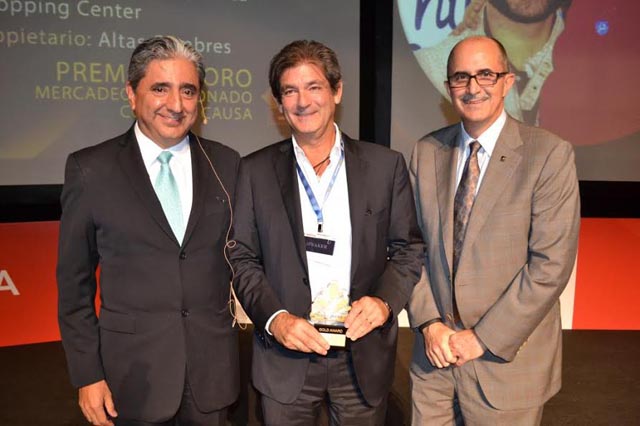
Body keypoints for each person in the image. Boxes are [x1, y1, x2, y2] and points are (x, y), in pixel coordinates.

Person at [230, 40, 423, 425]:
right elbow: (241, 257)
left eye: (314, 87)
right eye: (290, 91)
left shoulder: (385, 167)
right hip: (285, 354)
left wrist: (384, 303)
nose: (303, 101)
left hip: (360, 355)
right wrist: (276, 319)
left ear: (337, 91)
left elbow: (408, 249)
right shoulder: (253, 171)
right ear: (279, 103)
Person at [57, 36, 240, 426]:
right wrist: (87, 374)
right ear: (131, 93)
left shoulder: (227, 164)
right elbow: (74, 285)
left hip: (212, 375)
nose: (176, 104)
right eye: (160, 89)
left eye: (188, 91)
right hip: (132, 379)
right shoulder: (91, 170)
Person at [407, 36, 580, 424]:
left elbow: (550, 267)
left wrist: (480, 338)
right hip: (434, 359)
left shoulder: (549, 154)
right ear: (448, 86)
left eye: (485, 74)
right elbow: (411, 248)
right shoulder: (426, 152)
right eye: (461, 77)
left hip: (504, 364)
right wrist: (429, 323)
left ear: (508, 81)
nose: (473, 87)